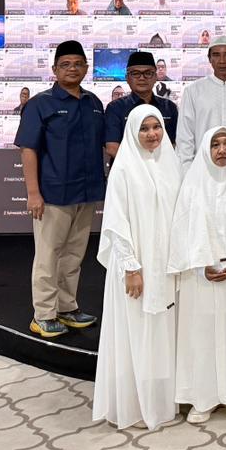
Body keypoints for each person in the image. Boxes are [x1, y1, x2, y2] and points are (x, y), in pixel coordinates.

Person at [92, 106, 181, 430]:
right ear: (132, 132)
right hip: (136, 266)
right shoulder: (125, 168)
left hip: (164, 264)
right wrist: (131, 267)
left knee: (161, 333)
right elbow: (117, 224)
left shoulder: (172, 164)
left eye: (156, 127)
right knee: (136, 331)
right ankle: (134, 406)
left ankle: (160, 402)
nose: (152, 134)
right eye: (144, 128)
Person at [15, 40, 106, 339]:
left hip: (86, 193)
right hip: (53, 195)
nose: (72, 69)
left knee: (74, 256)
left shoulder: (94, 103)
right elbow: (28, 149)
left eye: (78, 64)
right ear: (54, 69)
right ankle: (43, 314)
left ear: (86, 68)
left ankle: (67, 307)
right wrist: (33, 193)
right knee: (48, 256)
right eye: (65, 65)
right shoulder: (40, 105)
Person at [167, 126, 226, 422]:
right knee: (201, 335)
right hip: (200, 275)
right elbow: (181, 229)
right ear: (206, 149)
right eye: (215, 144)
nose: (222, 150)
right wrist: (200, 263)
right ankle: (201, 399)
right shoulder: (193, 184)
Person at [175, 35, 226, 166]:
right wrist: (187, 170)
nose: (222, 61)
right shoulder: (193, 91)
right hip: (203, 167)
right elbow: (185, 137)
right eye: (216, 55)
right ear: (209, 59)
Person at [104, 51, 179, 159]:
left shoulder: (169, 107)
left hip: (162, 167)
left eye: (148, 73)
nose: (142, 78)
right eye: (135, 73)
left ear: (155, 77)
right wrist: (143, 166)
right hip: (127, 168)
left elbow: (175, 144)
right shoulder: (115, 108)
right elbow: (112, 148)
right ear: (127, 78)